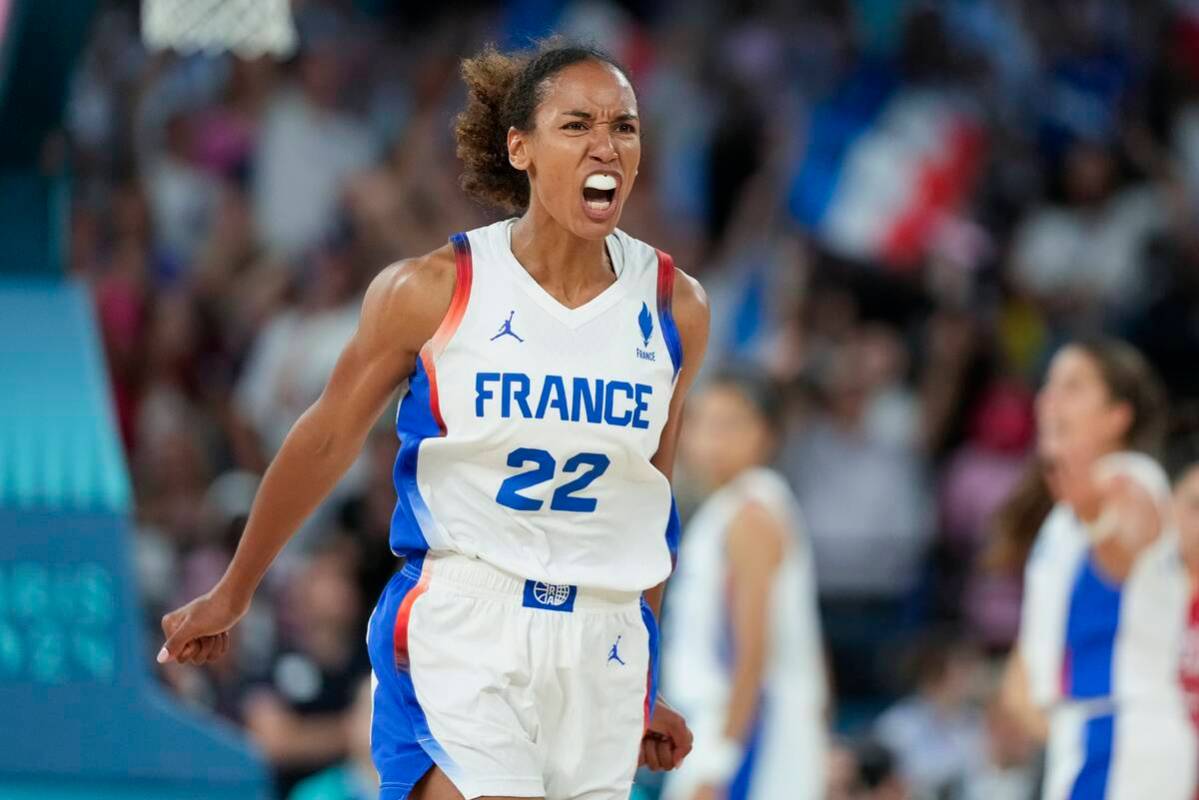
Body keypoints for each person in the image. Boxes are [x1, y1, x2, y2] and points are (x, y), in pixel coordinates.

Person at [156, 41, 708, 800]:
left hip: (602, 643)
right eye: (576, 125)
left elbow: (648, 500)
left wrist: (643, 675)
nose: (605, 145)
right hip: (467, 621)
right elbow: (325, 438)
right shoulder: (431, 288)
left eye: (624, 126)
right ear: (520, 147)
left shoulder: (676, 306)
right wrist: (236, 588)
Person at [998, 338, 1196, 799]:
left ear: (1116, 416)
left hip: (1119, 727)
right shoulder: (1065, 513)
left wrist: (1099, 520)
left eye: (1074, 386)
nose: (1050, 399)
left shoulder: (1129, 479)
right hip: (1097, 733)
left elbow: (1129, 537)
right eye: (1049, 385)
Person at [661, 368, 826, 800]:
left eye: (729, 425)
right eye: (701, 423)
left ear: (767, 433)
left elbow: (752, 655)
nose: (711, 440)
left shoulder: (751, 515)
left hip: (753, 734)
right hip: (735, 723)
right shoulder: (731, 508)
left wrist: (722, 761)